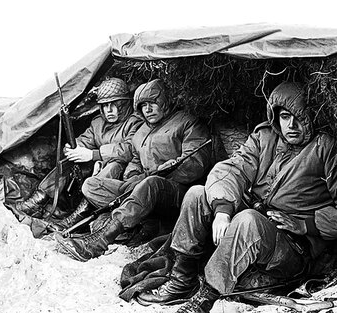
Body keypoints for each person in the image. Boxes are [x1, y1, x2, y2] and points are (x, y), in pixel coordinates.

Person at [137, 81, 337, 313]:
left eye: (299, 118)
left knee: (248, 219)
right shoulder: (265, 138)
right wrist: (223, 210)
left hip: (293, 247)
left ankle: (206, 297)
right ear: (275, 118)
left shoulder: (326, 148)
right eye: (284, 117)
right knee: (197, 194)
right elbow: (233, 169)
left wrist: (306, 225)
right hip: (257, 221)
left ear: (312, 117)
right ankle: (183, 279)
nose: (291, 125)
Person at [56, 79, 212, 262]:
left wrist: (149, 175)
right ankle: (136, 222)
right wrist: (132, 177)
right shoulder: (143, 130)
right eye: (143, 105)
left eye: (153, 102)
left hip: (178, 194)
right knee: (92, 185)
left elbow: (194, 165)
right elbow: (135, 158)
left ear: (165, 101)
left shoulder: (187, 122)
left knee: (150, 184)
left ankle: (97, 243)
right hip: (143, 189)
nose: (148, 109)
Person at [12, 77, 143, 223]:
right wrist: (74, 148)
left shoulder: (135, 122)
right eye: (105, 106)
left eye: (114, 104)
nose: (109, 110)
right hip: (97, 166)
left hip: (120, 174)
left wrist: (94, 155)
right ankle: (36, 201)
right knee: (67, 162)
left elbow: (130, 150)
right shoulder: (98, 122)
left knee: (113, 166)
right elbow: (86, 139)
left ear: (124, 104)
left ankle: (77, 217)